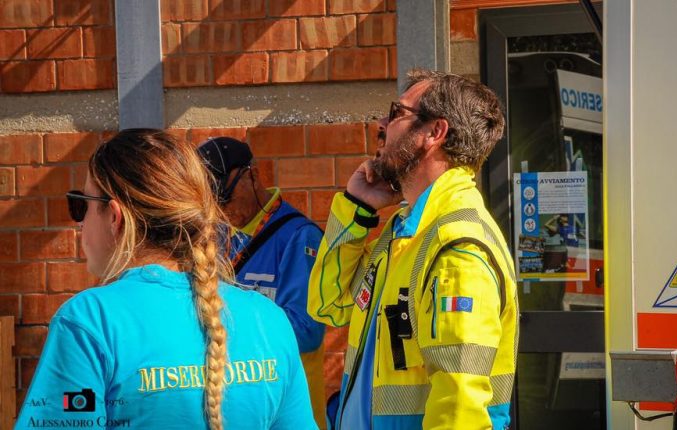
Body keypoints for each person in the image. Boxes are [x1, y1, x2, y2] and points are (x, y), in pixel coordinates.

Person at [16, 129, 316, 430]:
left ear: (115, 217)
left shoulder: (89, 322)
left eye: (81, 205)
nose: (79, 222)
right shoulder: (269, 320)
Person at [308, 69, 520, 429]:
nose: (381, 123)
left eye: (397, 113)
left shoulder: (456, 248)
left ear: (434, 133)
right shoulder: (406, 232)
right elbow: (330, 304)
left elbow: (460, 408)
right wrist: (357, 209)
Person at [197, 137, 327, 428]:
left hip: (288, 411)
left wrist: (218, 322)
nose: (219, 210)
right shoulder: (216, 236)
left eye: (224, 196)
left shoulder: (299, 237)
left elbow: (307, 332)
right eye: (210, 202)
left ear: (252, 174)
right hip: (237, 410)